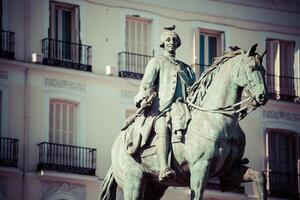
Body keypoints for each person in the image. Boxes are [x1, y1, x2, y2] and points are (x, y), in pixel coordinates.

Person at [133, 25, 196, 182]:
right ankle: (163, 167)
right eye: (168, 39)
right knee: (162, 128)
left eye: (174, 40)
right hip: (162, 109)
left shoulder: (186, 68)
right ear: (162, 43)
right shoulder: (156, 62)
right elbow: (146, 84)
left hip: (183, 109)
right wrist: (144, 98)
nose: (171, 42)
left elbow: (193, 90)